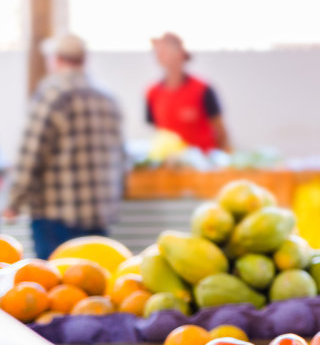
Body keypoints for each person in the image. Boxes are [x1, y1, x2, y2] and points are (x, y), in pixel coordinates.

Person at [2, 34, 124, 258]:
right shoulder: (107, 98)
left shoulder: (53, 94)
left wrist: (14, 201)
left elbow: (31, 153)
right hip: (99, 213)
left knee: (56, 277)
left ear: (55, 59)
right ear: (83, 60)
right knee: (96, 275)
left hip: (56, 214)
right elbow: (120, 155)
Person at [146, 32, 230, 152]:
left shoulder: (203, 89)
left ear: (180, 53)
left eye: (164, 50)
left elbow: (221, 130)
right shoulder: (152, 92)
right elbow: (158, 132)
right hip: (170, 160)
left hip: (203, 159)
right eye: (157, 51)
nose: (159, 54)